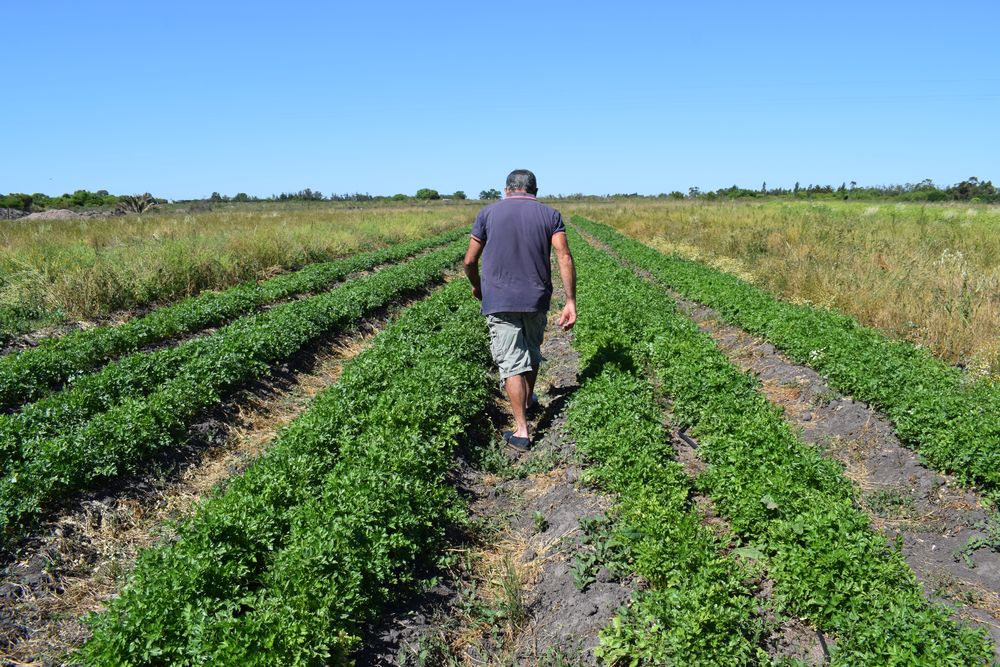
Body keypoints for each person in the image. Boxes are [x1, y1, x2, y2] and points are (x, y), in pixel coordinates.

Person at [463, 169, 577, 451]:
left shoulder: (487, 214)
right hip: (536, 297)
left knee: (512, 361)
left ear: (506, 189)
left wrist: (477, 286)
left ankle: (522, 431)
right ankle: (527, 400)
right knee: (531, 350)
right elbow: (563, 256)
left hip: (500, 299)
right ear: (535, 190)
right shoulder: (550, 215)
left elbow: (469, 261)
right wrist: (570, 300)